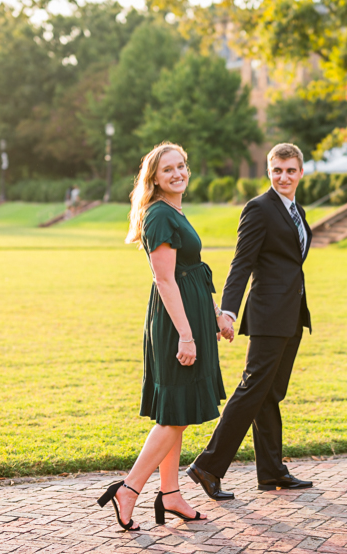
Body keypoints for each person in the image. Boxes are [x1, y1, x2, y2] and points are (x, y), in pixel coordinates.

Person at [96, 142, 233, 530]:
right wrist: (186, 335)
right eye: (168, 169)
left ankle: (170, 493)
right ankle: (130, 488)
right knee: (172, 415)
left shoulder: (174, 210)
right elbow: (165, 279)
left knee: (180, 411)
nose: (178, 173)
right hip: (177, 322)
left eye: (182, 166)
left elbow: (193, 272)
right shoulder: (158, 215)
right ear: (154, 178)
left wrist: (216, 313)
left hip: (192, 314)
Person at [187, 143, 314, 500]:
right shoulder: (258, 209)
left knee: (270, 393)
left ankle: (272, 472)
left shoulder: (296, 210)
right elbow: (241, 263)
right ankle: (208, 466)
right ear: (269, 172)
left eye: (290, 170)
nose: (283, 176)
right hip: (268, 315)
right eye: (277, 170)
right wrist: (227, 311)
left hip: (292, 314)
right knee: (252, 389)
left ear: (300, 173)